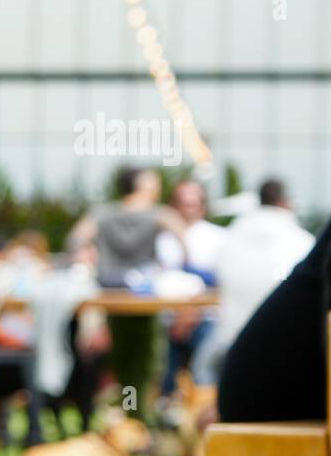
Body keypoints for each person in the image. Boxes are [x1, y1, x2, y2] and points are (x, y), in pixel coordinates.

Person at [67, 167, 188, 418]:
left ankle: (130, 413)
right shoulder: (158, 214)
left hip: (113, 298)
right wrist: (180, 267)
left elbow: (75, 239)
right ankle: (141, 418)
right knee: (147, 362)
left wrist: (85, 255)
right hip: (144, 300)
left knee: (122, 360)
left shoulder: (103, 213)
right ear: (141, 185)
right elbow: (184, 237)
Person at [207, 179, 317, 402]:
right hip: (281, 357)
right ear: (285, 202)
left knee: (203, 369)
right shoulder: (302, 242)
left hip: (230, 346)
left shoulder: (230, 237)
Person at [155, 179, 226, 394]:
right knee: (161, 375)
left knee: (203, 374)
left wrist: (188, 315)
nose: (186, 208)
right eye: (181, 202)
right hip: (168, 321)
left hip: (205, 320)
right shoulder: (160, 239)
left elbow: (222, 285)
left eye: (192, 203)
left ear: (202, 205)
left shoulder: (218, 238)